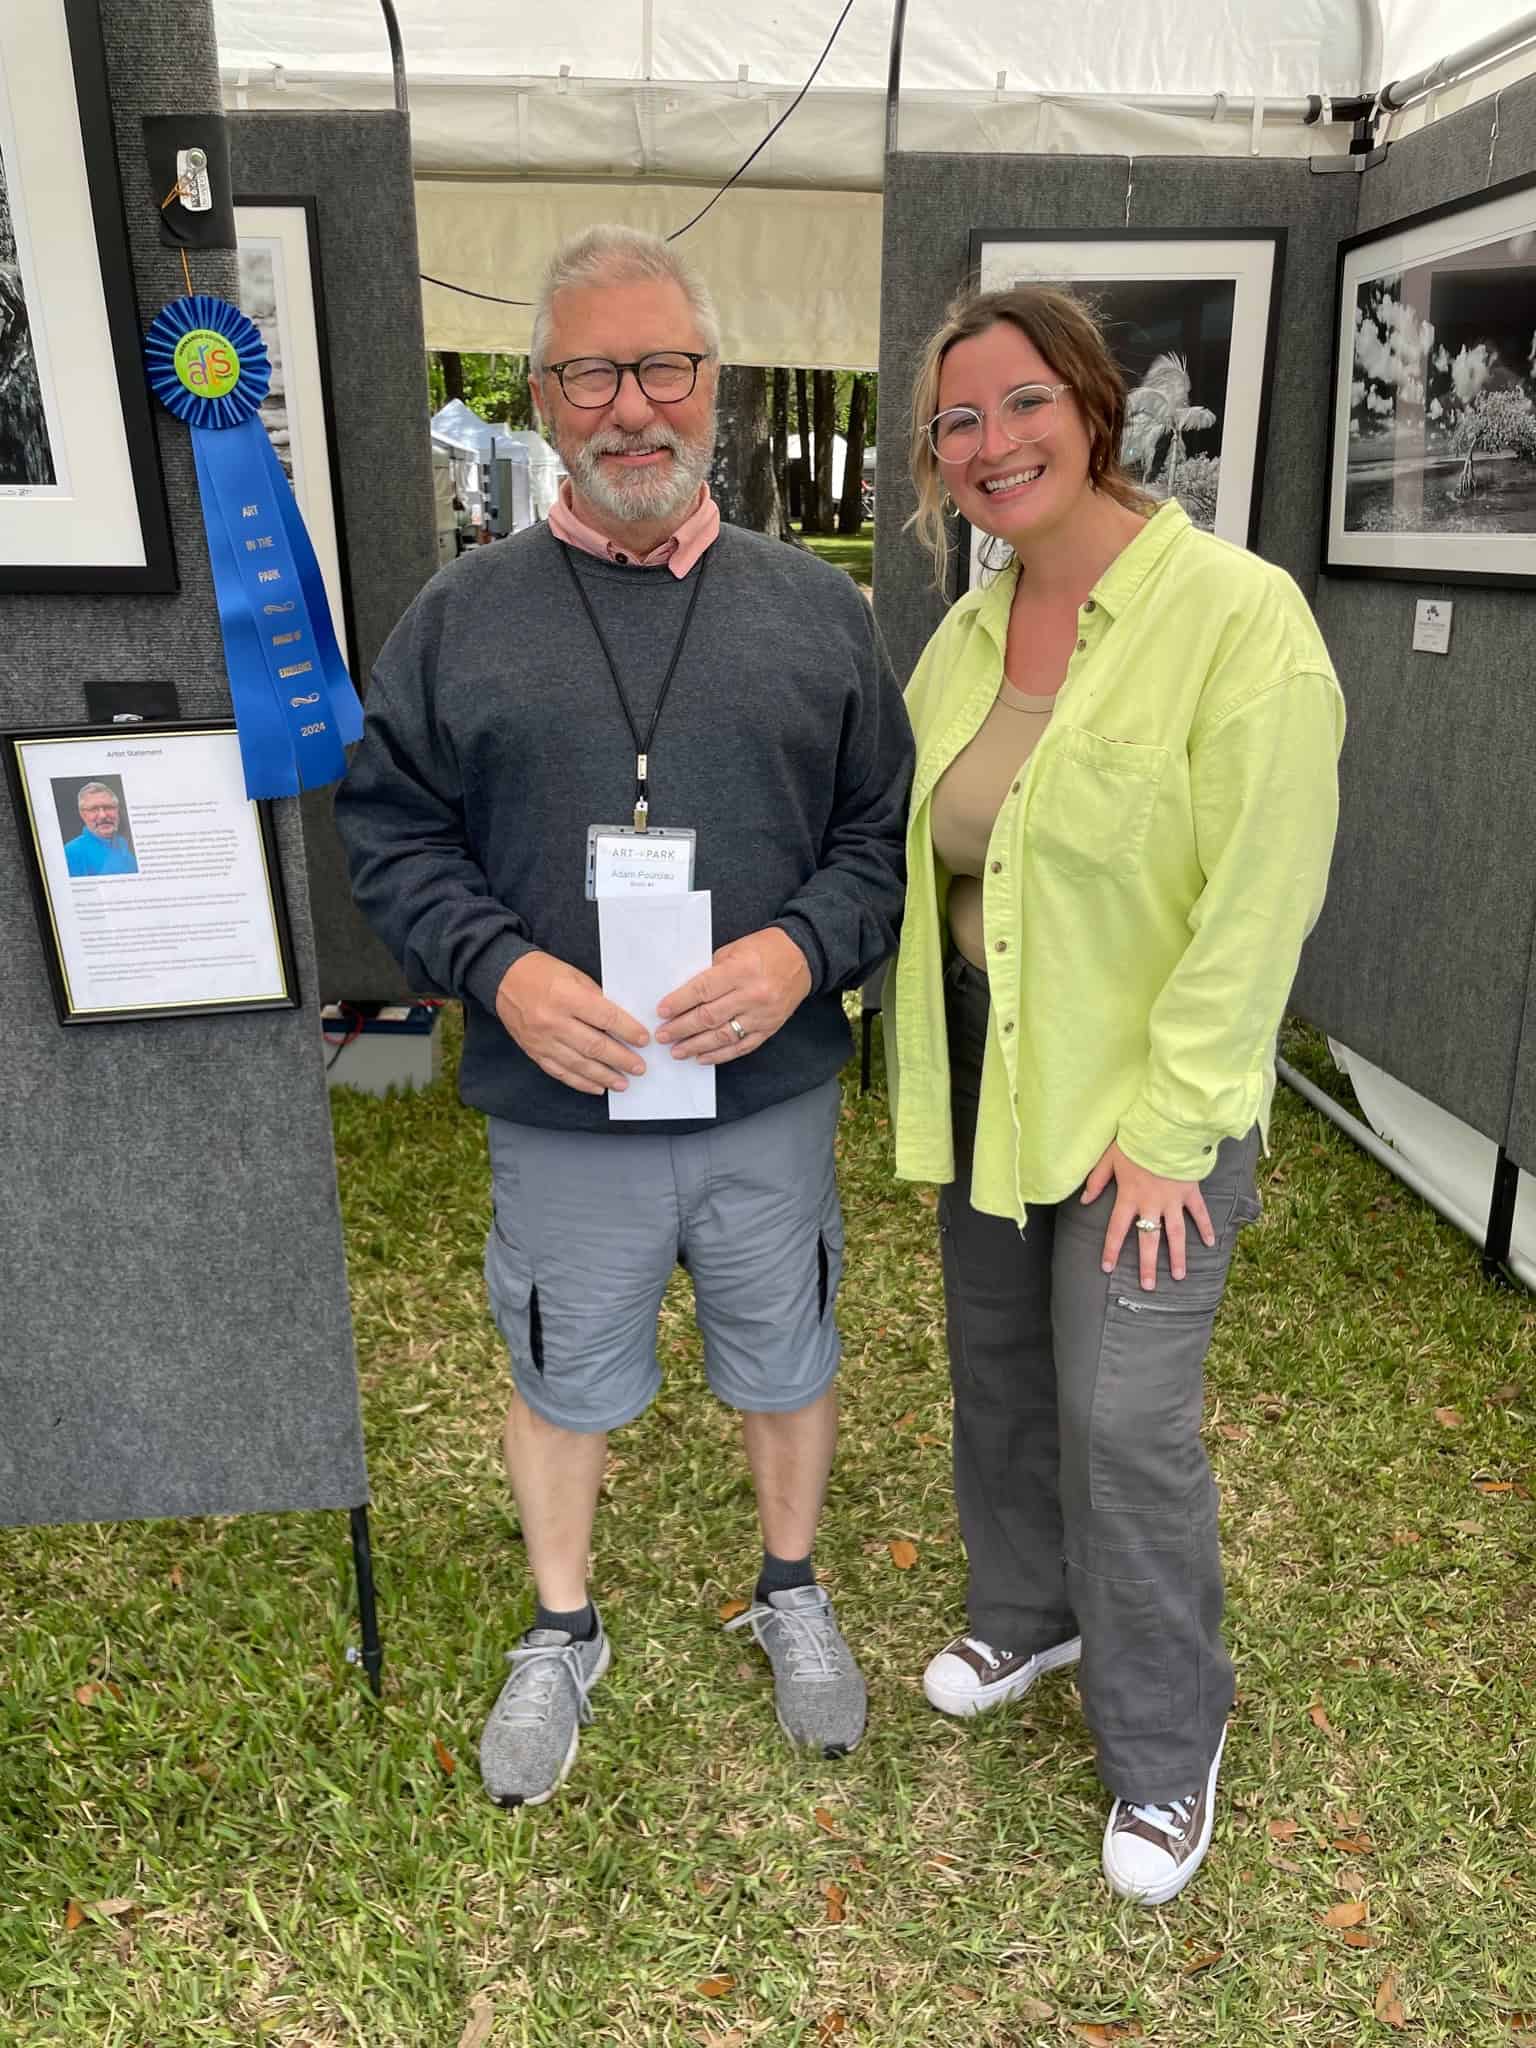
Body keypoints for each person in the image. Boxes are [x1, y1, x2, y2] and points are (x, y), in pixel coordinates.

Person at [335, 226, 912, 1809]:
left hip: (765, 1095)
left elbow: (880, 838)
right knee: (559, 1365)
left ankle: (791, 1588)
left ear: (714, 388)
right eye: (590, 372)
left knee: (784, 1349)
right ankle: (563, 1624)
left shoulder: (819, 614)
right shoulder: (459, 617)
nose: (630, 407)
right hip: (560, 1096)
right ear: (540, 399)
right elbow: (390, 831)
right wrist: (503, 971)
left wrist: (801, 955)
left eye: (663, 367)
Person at [886, 286, 1344, 1904]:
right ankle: (1029, 1612)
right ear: (938, 459)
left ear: (1090, 408)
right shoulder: (960, 630)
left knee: (1121, 1416)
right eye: (959, 420)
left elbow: (1260, 891)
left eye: (1020, 403)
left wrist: (1174, 1129)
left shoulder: (1238, 618)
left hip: (1149, 1100)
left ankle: (1166, 1741)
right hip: (987, 1063)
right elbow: (923, 844)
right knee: (1001, 1371)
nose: (992, 440)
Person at [63, 782, 137, 877]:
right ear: (83, 815)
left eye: (108, 807)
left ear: (117, 810)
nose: (103, 815)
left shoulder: (125, 845)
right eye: (94, 809)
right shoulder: (71, 853)